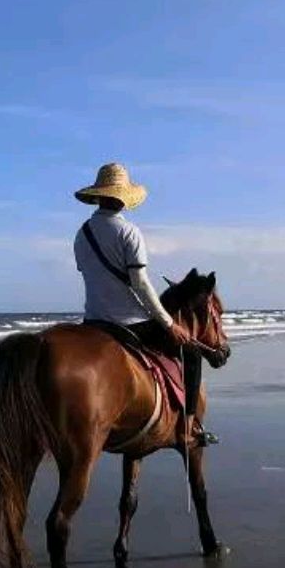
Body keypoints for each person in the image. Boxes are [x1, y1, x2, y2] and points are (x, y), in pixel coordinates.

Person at [72, 162, 213, 445]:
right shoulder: (129, 232)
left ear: (98, 195)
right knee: (193, 355)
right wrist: (169, 323)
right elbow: (140, 283)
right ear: (124, 197)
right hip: (130, 323)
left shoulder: (82, 233)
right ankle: (188, 427)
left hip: (93, 321)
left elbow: (91, 275)